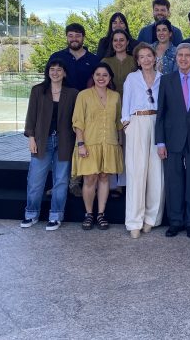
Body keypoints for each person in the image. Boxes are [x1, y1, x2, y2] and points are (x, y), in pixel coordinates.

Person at [155, 43, 190, 238]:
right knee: (174, 181)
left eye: (187, 55)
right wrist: (160, 142)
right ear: (176, 57)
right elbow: (161, 113)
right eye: (180, 55)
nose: (183, 59)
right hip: (173, 138)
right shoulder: (166, 80)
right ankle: (176, 221)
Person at [21, 59, 77, 231]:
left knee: (60, 181)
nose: (55, 73)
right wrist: (31, 137)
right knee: (35, 180)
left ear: (64, 73)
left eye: (59, 70)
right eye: (52, 69)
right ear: (47, 72)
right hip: (41, 141)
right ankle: (31, 214)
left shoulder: (73, 93)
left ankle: (55, 216)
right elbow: (31, 116)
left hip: (65, 141)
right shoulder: (38, 90)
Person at [72, 63, 124, 231]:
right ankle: (89, 214)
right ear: (93, 76)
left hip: (109, 143)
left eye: (105, 75)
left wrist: (120, 143)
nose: (101, 78)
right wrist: (81, 144)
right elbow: (78, 121)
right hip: (89, 143)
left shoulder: (116, 96)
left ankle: (100, 214)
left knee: (104, 178)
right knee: (89, 179)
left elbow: (119, 123)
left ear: (110, 78)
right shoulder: (84, 95)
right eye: (98, 74)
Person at [122, 43, 164, 239]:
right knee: (136, 172)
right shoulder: (132, 78)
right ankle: (134, 221)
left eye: (149, 56)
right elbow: (125, 104)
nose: (146, 59)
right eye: (142, 57)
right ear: (137, 61)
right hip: (137, 122)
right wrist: (127, 126)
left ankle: (151, 218)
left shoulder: (163, 79)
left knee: (156, 173)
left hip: (157, 122)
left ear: (155, 58)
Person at [102, 29, 138, 198]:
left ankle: (125, 182)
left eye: (122, 40)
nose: (118, 43)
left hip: (131, 108)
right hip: (110, 107)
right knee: (112, 144)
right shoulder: (106, 61)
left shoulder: (134, 61)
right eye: (115, 40)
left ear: (127, 42)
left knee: (127, 146)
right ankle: (112, 184)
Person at [48, 23, 100, 91]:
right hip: (61, 100)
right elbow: (48, 80)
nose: (74, 39)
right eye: (70, 36)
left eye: (78, 36)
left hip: (86, 100)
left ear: (83, 37)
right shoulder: (56, 57)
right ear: (66, 37)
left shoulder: (94, 60)